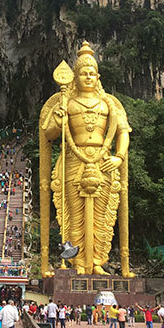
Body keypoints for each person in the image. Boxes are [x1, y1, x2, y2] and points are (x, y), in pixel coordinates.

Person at [39, 41, 134, 278]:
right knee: (74, 214)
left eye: (92, 73)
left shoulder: (109, 104)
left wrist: (119, 157)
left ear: (98, 76)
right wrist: (60, 121)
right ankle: (77, 263)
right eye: (83, 73)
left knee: (102, 216)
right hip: (74, 159)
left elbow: (122, 132)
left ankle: (98, 261)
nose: (88, 77)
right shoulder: (66, 103)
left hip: (103, 160)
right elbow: (48, 134)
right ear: (75, 77)